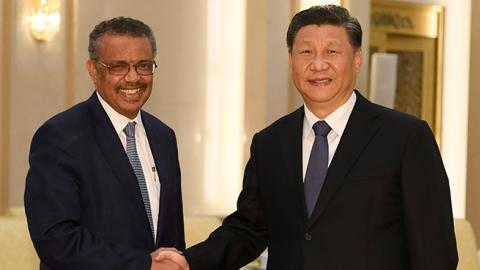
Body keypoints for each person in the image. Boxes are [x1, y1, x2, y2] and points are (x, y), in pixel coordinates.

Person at [155, 5, 458, 270]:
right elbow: (248, 228)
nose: (318, 64)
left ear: (356, 59)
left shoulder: (405, 137)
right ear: (291, 60)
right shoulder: (270, 143)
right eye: (306, 52)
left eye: (331, 51)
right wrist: (190, 261)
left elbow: (435, 251)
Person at [24, 17, 185, 270]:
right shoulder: (59, 136)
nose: (133, 78)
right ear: (92, 69)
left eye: (143, 65)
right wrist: (143, 265)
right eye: (118, 66)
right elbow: (56, 240)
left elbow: (172, 237)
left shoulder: (164, 137)